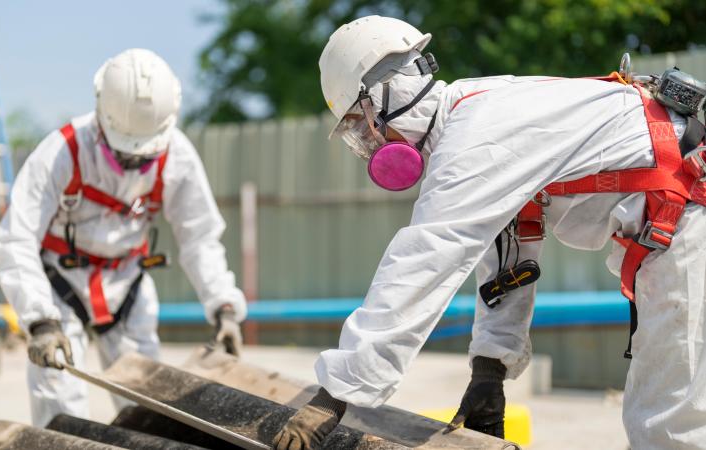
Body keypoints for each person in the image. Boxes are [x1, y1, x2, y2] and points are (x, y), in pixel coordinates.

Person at [273, 15, 706, 450]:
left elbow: (424, 260)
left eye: (359, 127)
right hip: (678, 226)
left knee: (668, 431)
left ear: (383, 98)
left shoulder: (475, 137)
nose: (370, 145)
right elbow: (511, 251)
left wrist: (334, 397)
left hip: (690, 222)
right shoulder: (473, 114)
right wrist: (489, 373)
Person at [0, 48, 247, 427]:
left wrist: (224, 307)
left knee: (147, 403)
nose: (133, 164)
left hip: (127, 286)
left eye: (143, 157)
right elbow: (17, 237)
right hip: (59, 287)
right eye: (124, 155)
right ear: (100, 115)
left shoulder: (176, 156)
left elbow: (200, 238)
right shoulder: (63, 152)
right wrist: (40, 320)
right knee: (60, 403)